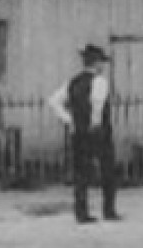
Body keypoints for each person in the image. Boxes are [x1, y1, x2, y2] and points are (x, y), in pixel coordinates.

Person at [48, 44, 120, 224]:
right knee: (107, 169)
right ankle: (108, 210)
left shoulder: (72, 82)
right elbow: (97, 102)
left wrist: (70, 120)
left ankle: (81, 212)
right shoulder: (100, 81)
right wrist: (95, 123)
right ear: (96, 63)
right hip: (97, 131)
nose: (102, 66)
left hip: (78, 132)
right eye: (100, 62)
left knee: (81, 172)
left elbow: (53, 102)